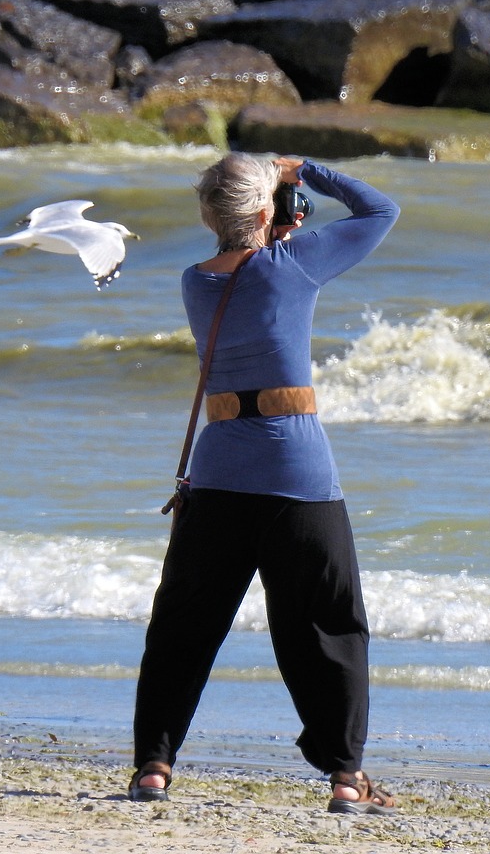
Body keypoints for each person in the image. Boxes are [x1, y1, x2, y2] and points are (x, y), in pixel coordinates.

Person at [130, 153, 400, 815]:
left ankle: (154, 767)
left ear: (209, 215)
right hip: (297, 473)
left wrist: (271, 204)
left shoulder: (195, 282)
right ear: (264, 211)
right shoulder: (295, 264)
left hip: (218, 471)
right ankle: (343, 777)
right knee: (328, 626)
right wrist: (307, 169)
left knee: (183, 627)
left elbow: (243, 275)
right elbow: (380, 211)